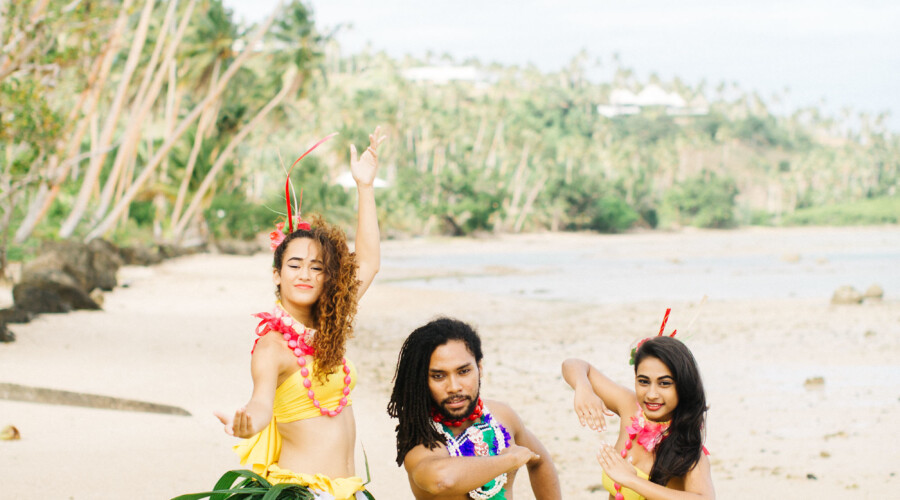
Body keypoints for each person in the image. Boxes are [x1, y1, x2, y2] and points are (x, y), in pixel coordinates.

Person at [210, 127, 387, 500]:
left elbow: (368, 262)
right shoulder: (272, 347)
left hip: (347, 491)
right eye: (294, 265)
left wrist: (365, 188)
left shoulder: (331, 324)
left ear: (327, 277)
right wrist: (246, 425)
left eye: (317, 267)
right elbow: (261, 404)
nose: (305, 274)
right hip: (302, 492)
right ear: (277, 274)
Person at [387, 317, 561, 500]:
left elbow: (540, 462)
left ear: (479, 368)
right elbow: (442, 480)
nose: (454, 387)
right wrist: (508, 461)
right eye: (438, 376)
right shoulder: (423, 439)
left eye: (463, 372)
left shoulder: (501, 414)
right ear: (422, 381)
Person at [561, 314, 714, 500]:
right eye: (643, 381)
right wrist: (583, 387)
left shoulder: (688, 448)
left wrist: (632, 480)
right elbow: (573, 365)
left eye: (664, 383)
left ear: (683, 386)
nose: (651, 394)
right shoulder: (630, 407)